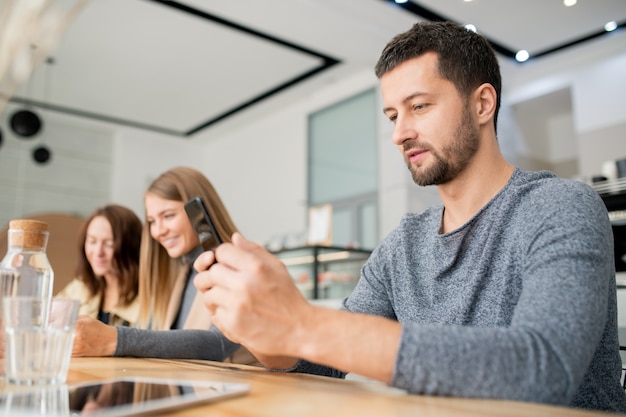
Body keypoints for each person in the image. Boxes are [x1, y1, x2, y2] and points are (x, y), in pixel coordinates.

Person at [193, 21, 626, 412]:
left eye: (419, 107)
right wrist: (262, 328)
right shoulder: (403, 246)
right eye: (393, 115)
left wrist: (303, 324)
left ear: (483, 104)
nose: (400, 133)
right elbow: (317, 363)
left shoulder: (561, 206)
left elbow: (542, 368)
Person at [71, 166, 248, 364]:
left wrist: (115, 339)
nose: (158, 231)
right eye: (152, 221)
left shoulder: (233, 267)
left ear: (199, 212)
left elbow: (220, 344)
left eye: (169, 216)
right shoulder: (180, 273)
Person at [57, 204, 142, 326]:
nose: (98, 252)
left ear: (131, 246)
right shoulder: (80, 288)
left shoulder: (149, 298)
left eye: (109, 244)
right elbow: (43, 320)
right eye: (92, 241)